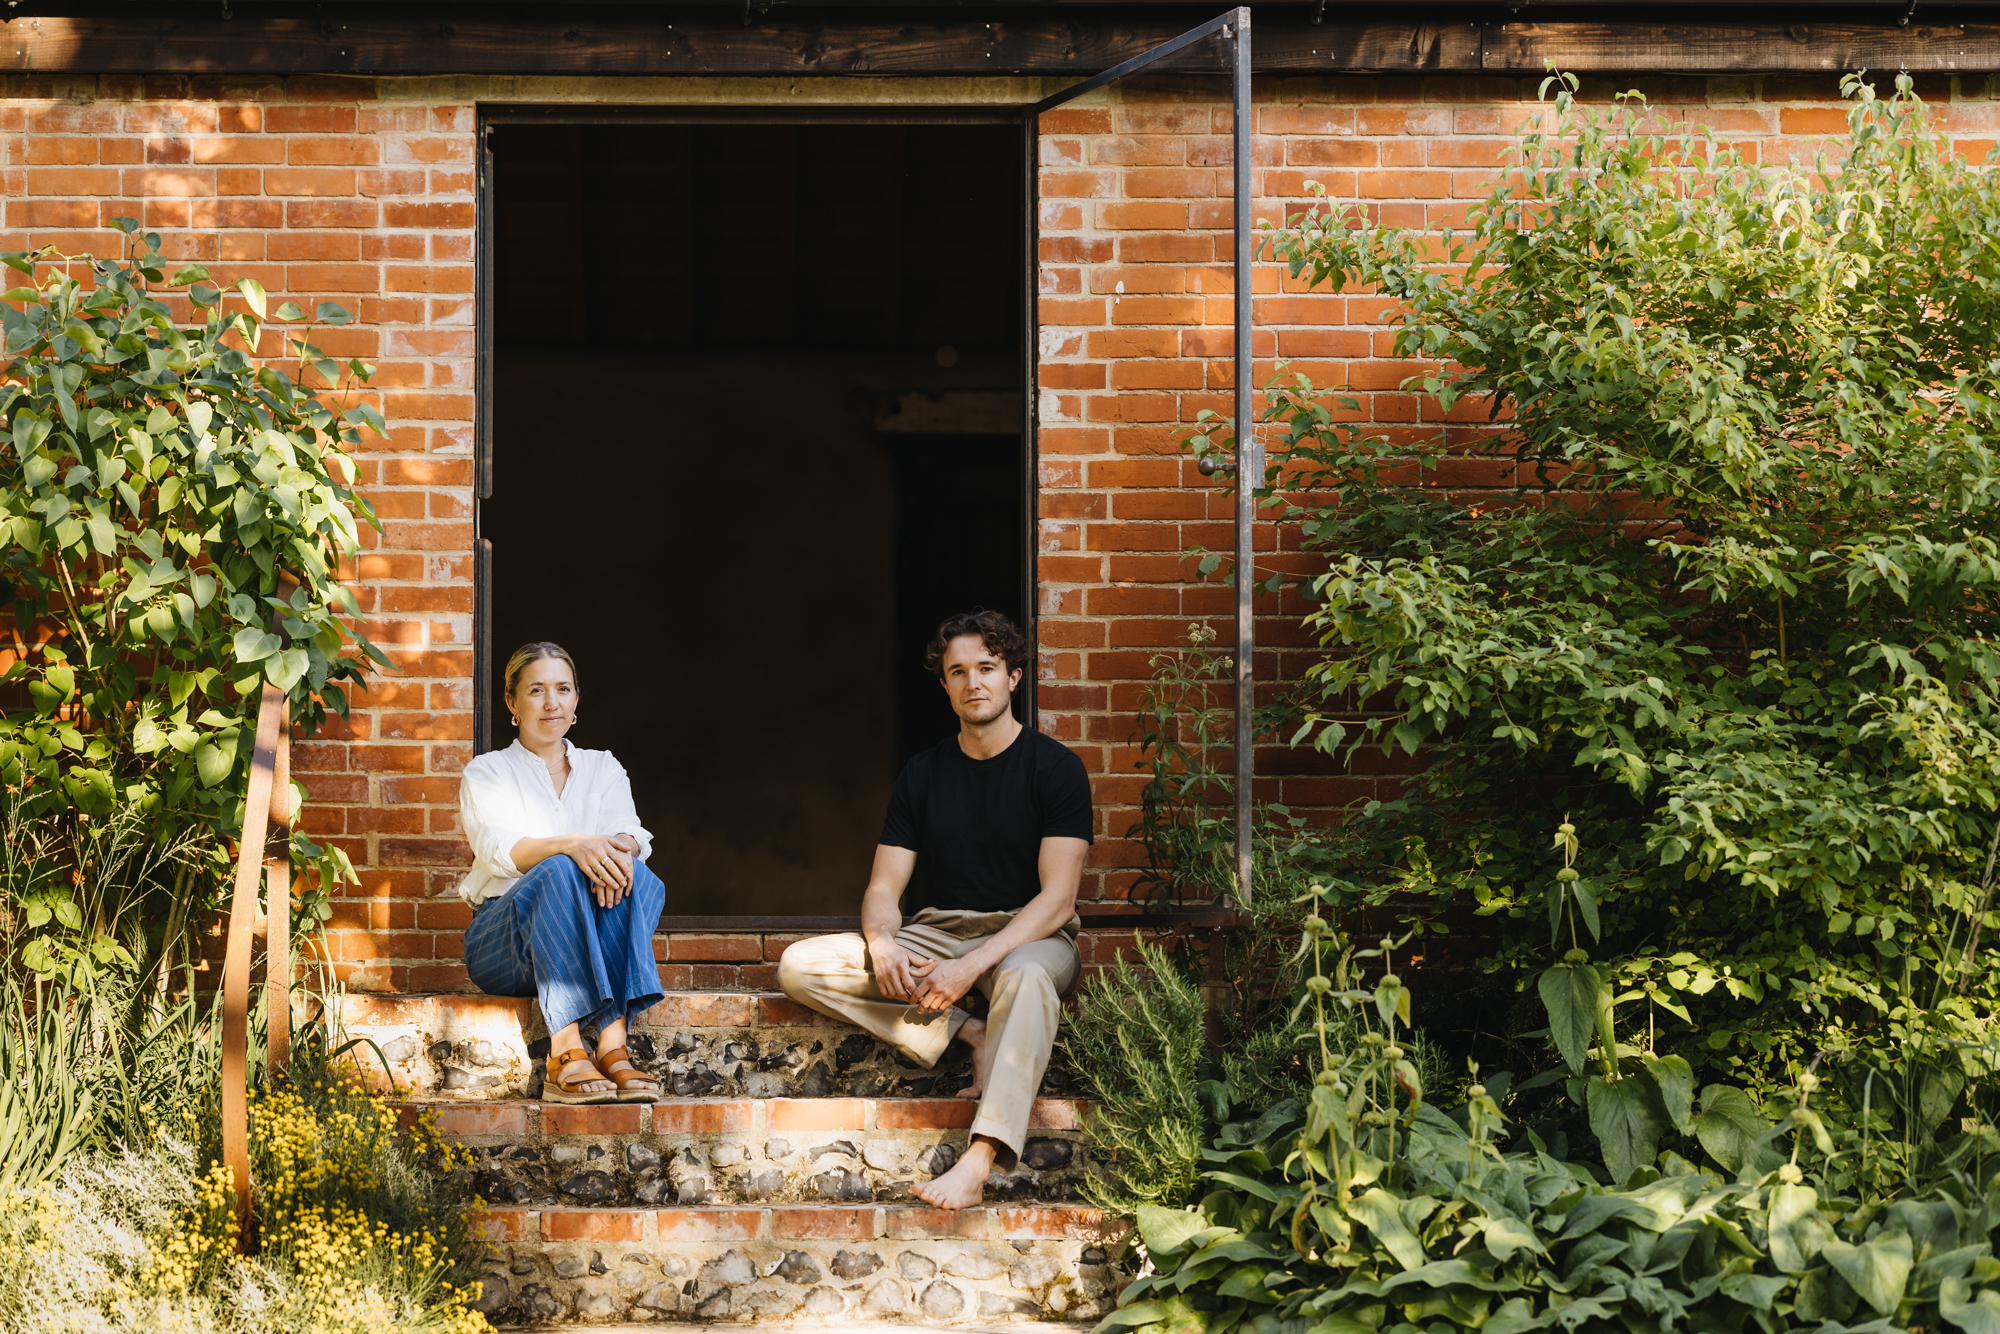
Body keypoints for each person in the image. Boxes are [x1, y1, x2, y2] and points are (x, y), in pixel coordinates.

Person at [777, 610, 1093, 1209]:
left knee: (1024, 976)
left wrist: (972, 967)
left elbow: (1057, 900)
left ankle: (979, 1160)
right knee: (800, 966)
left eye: (987, 668)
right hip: (939, 932)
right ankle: (969, 1032)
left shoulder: (1056, 769)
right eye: (959, 671)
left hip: (1030, 935)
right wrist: (882, 942)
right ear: (944, 685)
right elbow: (883, 890)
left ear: (1014, 677)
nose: (974, 682)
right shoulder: (922, 774)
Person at [454, 641, 665, 1104]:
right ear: (512, 702)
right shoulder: (488, 771)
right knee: (559, 872)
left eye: (563, 689)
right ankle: (564, 1050)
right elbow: (499, 853)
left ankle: (612, 1047)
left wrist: (614, 851)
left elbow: (630, 832)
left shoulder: (602, 766)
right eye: (536, 690)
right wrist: (575, 845)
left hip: (589, 944)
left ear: (575, 701)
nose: (552, 703)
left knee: (640, 876)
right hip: (505, 944)